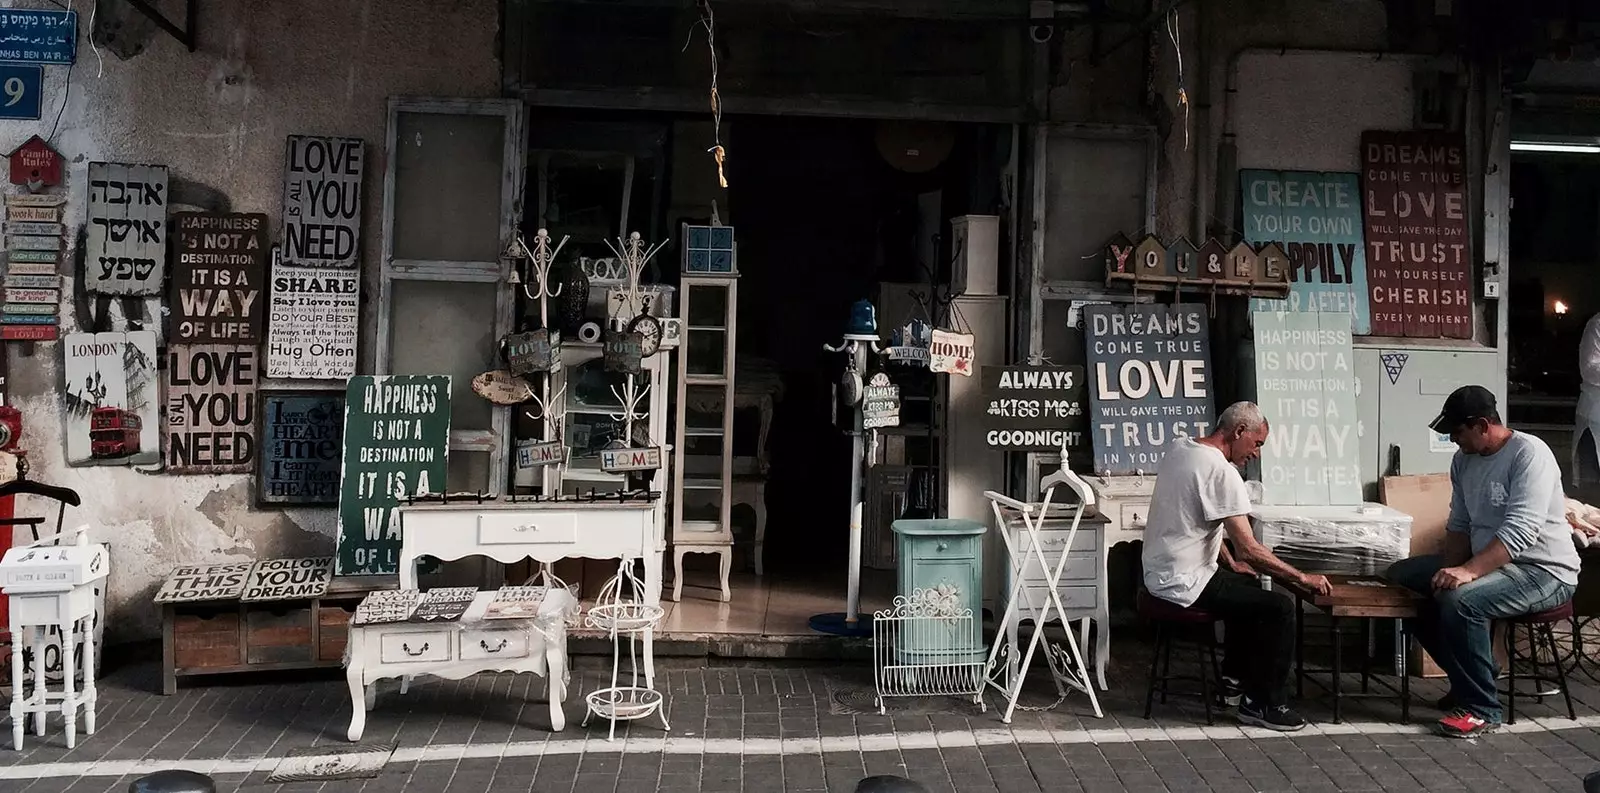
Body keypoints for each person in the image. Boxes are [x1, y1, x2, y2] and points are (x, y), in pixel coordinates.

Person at [1386, 385, 1581, 738]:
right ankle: (1474, 676)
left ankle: (1480, 709)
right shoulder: (1463, 460)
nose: (1453, 441)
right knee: (1403, 578)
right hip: (1491, 563)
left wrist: (1468, 572)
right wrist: (1449, 569)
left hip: (1543, 570)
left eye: (1458, 433)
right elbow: (1459, 524)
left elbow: (1521, 531)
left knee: (1461, 602)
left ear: (1481, 425)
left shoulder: (1529, 454)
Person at [1142, 401, 1331, 732]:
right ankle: (1265, 703)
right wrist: (1302, 578)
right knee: (1280, 608)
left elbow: (1196, 523)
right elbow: (1251, 549)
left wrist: (1229, 562)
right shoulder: (1222, 472)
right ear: (1239, 431)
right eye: (1257, 443)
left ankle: (1233, 681)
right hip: (1185, 581)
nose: (1256, 453)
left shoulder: (1181, 449)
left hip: (1161, 570)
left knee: (1250, 588)